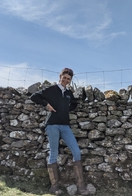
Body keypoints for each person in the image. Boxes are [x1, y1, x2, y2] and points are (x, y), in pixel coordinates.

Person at [30, 68, 89, 196]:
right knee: (53, 153)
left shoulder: (68, 92)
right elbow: (34, 96)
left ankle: (81, 186)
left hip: (65, 126)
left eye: (68, 79)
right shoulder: (51, 89)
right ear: (60, 76)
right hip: (52, 125)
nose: (66, 80)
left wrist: (67, 108)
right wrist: (46, 104)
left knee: (76, 152)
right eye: (64, 77)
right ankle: (54, 187)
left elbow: (74, 103)